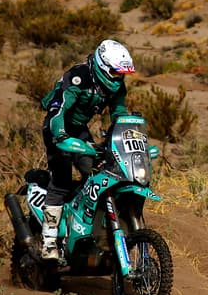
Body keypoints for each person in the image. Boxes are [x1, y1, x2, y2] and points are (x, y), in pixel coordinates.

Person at [38, 38, 136, 259]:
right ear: (102, 65)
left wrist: (125, 136)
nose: (118, 77)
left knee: (96, 174)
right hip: (57, 127)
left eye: (122, 74)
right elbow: (58, 109)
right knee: (61, 180)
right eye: (115, 72)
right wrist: (60, 135)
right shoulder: (78, 76)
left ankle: (84, 228)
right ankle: (49, 241)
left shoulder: (116, 85)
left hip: (79, 130)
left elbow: (119, 113)